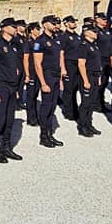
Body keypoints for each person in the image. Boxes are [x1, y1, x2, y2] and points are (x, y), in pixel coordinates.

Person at [0, 18, 24, 161]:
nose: (15, 29)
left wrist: (18, 88)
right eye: (13, 26)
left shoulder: (14, 45)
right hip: (0, 86)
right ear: (5, 28)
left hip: (12, 86)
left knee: (10, 119)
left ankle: (6, 147)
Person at [32, 15, 65, 145]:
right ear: (45, 25)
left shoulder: (56, 40)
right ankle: (43, 136)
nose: (56, 26)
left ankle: (50, 133)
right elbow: (37, 64)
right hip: (47, 76)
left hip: (56, 76)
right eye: (53, 23)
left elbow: (59, 58)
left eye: (57, 23)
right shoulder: (40, 41)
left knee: (52, 106)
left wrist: (61, 78)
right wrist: (43, 83)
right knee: (46, 106)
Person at [76, 26, 103, 138]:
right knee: (86, 103)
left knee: (92, 103)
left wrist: (99, 77)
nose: (96, 33)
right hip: (88, 76)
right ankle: (82, 127)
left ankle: (89, 124)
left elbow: (97, 62)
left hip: (95, 76)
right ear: (87, 33)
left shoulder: (94, 45)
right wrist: (86, 80)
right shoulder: (83, 46)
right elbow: (81, 64)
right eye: (94, 31)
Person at [22, 21, 42, 127]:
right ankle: (31, 118)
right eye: (37, 29)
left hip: (38, 71)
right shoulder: (28, 42)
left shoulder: (38, 42)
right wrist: (27, 74)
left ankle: (35, 115)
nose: (39, 31)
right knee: (30, 96)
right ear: (32, 30)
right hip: (31, 70)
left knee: (35, 94)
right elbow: (25, 59)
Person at [94, 13, 112, 113]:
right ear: (97, 20)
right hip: (100, 60)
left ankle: (101, 102)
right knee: (99, 83)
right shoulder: (95, 31)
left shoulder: (106, 31)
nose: (105, 21)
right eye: (103, 19)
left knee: (104, 82)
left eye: (106, 19)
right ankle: (97, 104)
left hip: (107, 60)